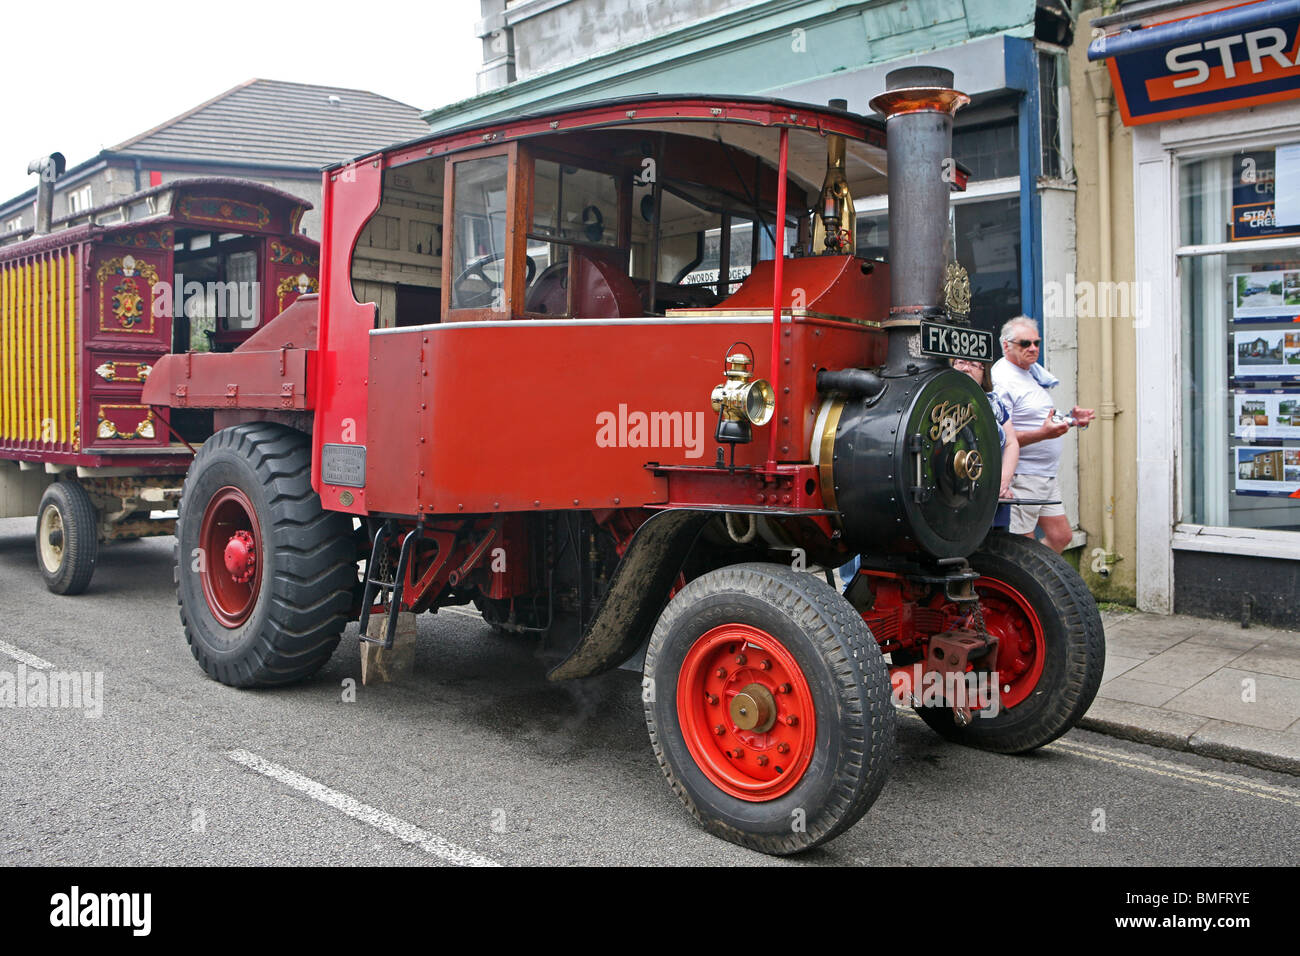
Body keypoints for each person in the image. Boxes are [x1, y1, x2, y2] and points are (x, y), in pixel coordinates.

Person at [991, 316, 1094, 553]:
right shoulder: (1002, 379)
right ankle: (1028, 588)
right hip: (1022, 475)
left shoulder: (1031, 373)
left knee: (1061, 536)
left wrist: (1072, 419)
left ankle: (1041, 583)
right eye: (1025, 344)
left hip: (1045, 474)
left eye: (1036, 343)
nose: (1033, 349)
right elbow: (1002, 436)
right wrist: (1043, 434)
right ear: (1006, 345)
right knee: (1024, 551)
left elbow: (1039, 418)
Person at [951, 357, 1018, 529]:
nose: (966, 368)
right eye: (960, 362)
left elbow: (1011, 442)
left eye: (974, 365)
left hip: (995, 496)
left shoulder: (993, 403)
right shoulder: (942, 401)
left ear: (984, 373)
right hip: (956, 499)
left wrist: (1002, 483)